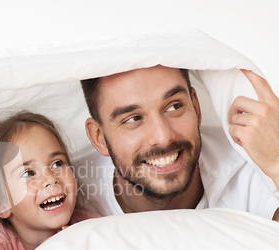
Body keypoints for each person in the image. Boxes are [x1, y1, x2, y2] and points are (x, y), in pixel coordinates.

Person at [80, 65, 279, 220]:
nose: (163, 136)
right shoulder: (70, 194)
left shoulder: (250, 166)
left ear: (195, 107)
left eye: (174, 106)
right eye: (133, 119)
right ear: (99, 137)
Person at [0, 112, 100, 250]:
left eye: (57, 163)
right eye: (28, 173)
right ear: (0, 204)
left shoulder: (91, 226)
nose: (51, 179)